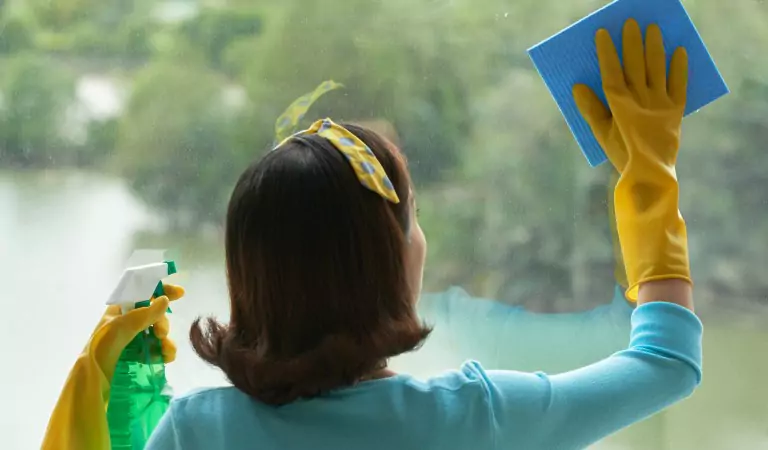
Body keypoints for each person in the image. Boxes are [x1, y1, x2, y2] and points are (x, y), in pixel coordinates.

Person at [42, 19, 702, 450]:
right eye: (410, 218)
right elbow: (666, 364)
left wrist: (116, 400)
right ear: (387, 263)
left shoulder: (195, 431)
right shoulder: (479, 418)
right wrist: (647, 180)